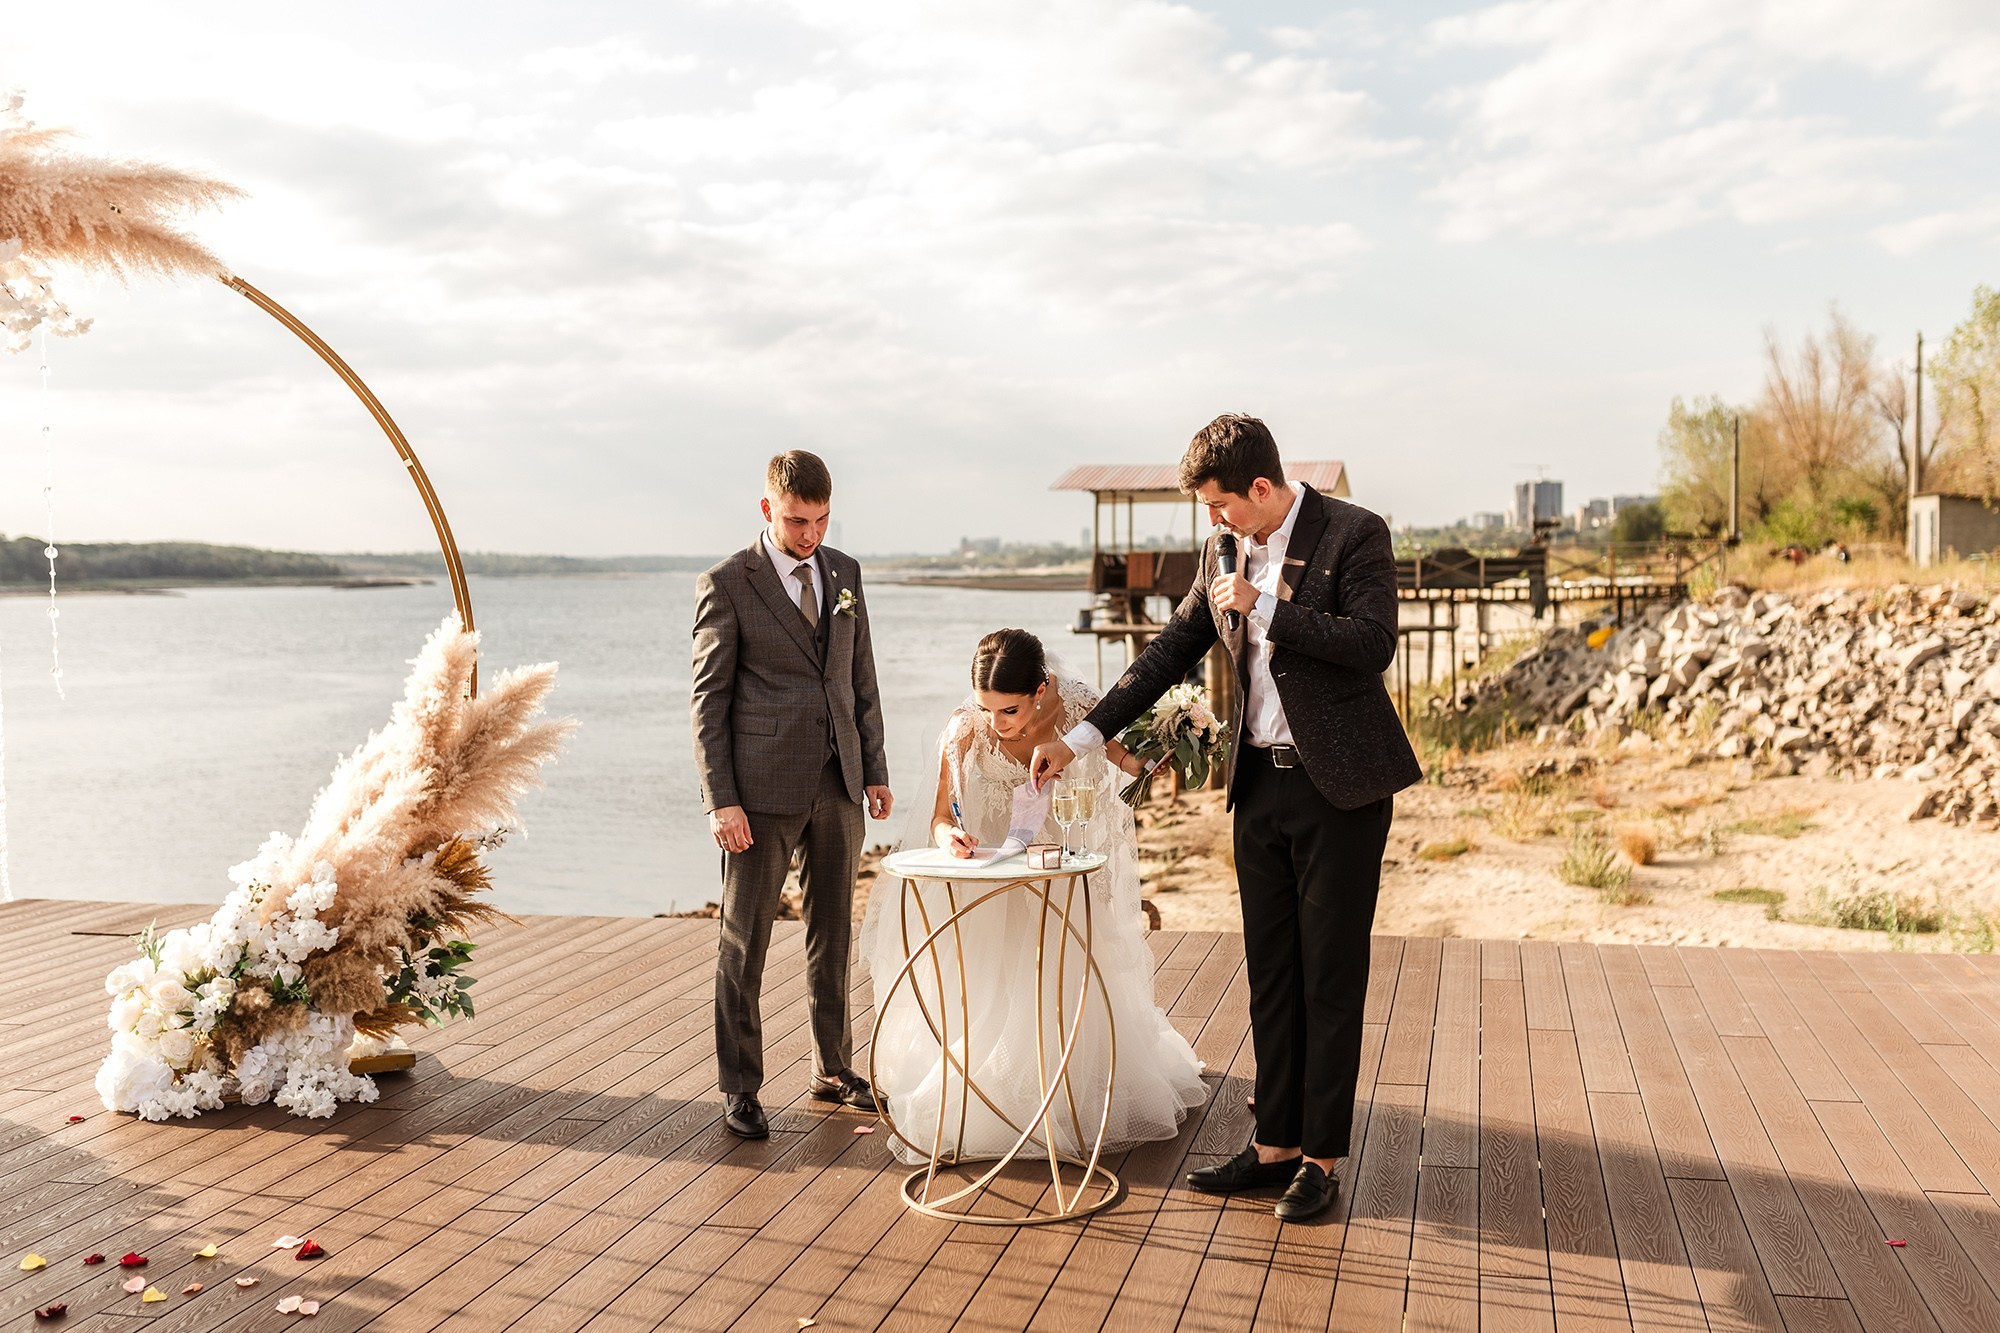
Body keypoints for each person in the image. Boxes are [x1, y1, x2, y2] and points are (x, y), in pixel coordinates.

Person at [1031, 414, 1421, 1221]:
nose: (1213, 520)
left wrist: (1265, 608)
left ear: (1263, 488)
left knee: (1330, 976)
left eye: (1219, 505)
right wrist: (1081, 737)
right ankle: (1274, 1143)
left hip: (1340, 789)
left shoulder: (1356, 533)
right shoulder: (1219, 553)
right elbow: (1169, 650)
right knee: (1273, 972)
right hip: (1259, 786)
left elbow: (1373, 642)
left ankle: (1321, 1158)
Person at [860, 629, 1207, 1164]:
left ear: (1042, 689)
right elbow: (939, 818)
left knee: (1067, 977)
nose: (996, 724)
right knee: (995, 986)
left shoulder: (1081, 711)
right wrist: (950, 837)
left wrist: (1177, 741)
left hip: (1062, 876)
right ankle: (997, 1096)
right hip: (995, 885)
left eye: (1009, 710)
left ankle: (1072, 1093)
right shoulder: (965, 730)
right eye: (986, 708)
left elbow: (1132, 765)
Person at [691, 450, 893, 1141]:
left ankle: (832, 1067)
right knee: (742, 943)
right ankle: (741, 1085)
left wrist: (874, 767)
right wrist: (722, 800)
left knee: (833, 932)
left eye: (821, 519)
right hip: (759, 792)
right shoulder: (727, 582)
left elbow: (858, 676)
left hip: (838, 784)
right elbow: (708, 703)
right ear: (767, 508)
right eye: (797, 520)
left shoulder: (845, 574)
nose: (810, 533)